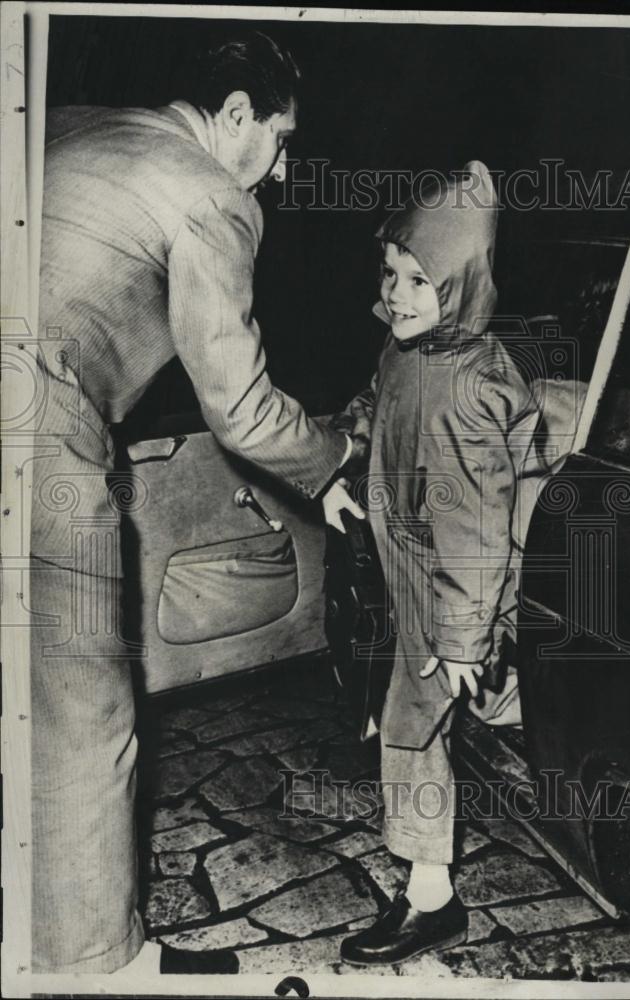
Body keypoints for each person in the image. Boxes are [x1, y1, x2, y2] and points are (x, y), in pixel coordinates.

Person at [31, 30, 362, 976]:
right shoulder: (211, 192)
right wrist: (337, 463)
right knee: (79, 714)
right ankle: (97, 965)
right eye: (281, 140)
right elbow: (245, 408)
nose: (284, 170)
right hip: (35, 430)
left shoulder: (71, 128)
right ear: (233, 116)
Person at [333, 161, 547, 965]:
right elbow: (373, 404)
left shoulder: (466, 390)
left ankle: (432, 899)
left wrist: (462, 638)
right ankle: (517, 709)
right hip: (417, 571)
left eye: (421, 281)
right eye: (391, 272)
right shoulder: (407, 351)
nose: (398, 294)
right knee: (474, 708)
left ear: (460, 287)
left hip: (454, 583)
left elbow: (478, 530)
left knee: (410, 729)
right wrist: (344, 456)